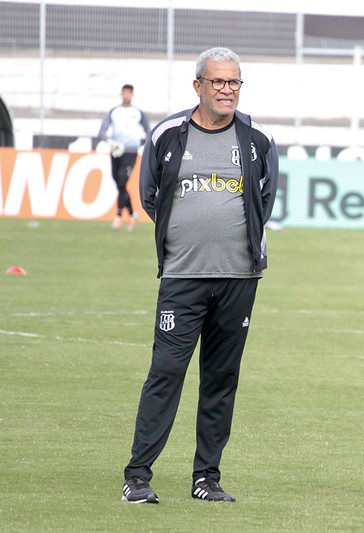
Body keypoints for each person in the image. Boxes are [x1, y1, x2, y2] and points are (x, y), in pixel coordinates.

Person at [121, 47, 279, 504]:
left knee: (221, 378)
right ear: (198, 86)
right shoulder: (169, 133)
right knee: (166, 373)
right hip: (182, 277)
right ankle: (137, 476)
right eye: (218, 82)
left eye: (234, 82)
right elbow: (149, 194)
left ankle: (206, 479)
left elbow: (266, 199)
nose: (227, 90)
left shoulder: (257, 139)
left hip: (240, 279)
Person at [98, 83, 150, 231]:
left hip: (130, 152)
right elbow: (102, 131)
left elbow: (148, 132)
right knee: (119, 183)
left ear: (132, 94)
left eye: (128, 93)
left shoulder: (138, 112)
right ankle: (132, 213)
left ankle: (119, 215)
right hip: (116, 151)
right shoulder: (113, 111)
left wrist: (140, 144)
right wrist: (111, 143)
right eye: (123, 93)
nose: (125, 96)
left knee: (122, 179)